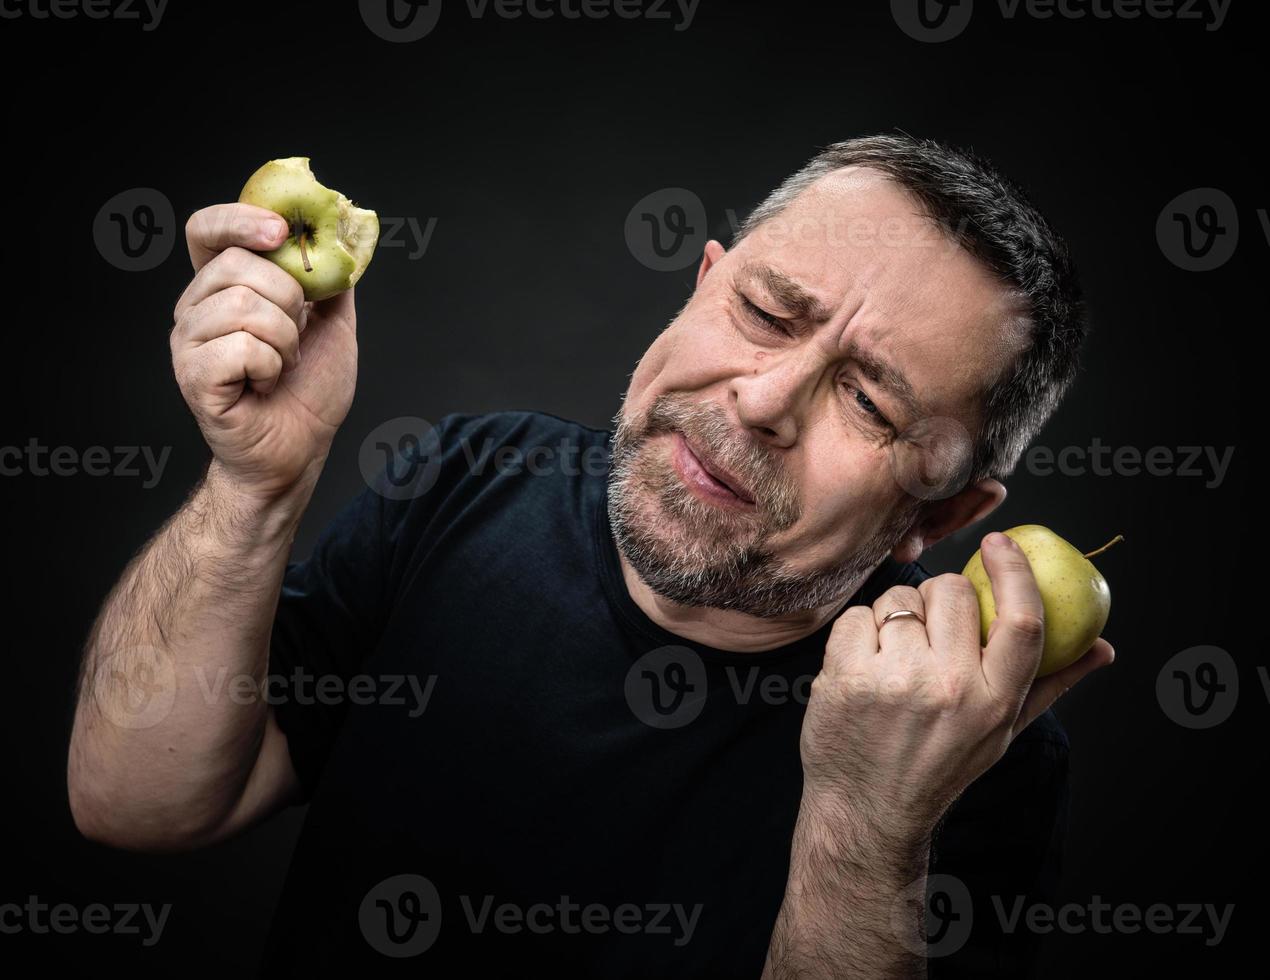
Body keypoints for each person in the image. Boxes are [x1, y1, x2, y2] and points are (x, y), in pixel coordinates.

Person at [68, 133, 1115, 977]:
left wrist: (864, 819)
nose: (759, 400)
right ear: (704, 282)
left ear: (941, 516)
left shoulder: (974, 741)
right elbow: (135, 801)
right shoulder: (468, 479)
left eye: (868, 399)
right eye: (761, 311)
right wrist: (257, 487)